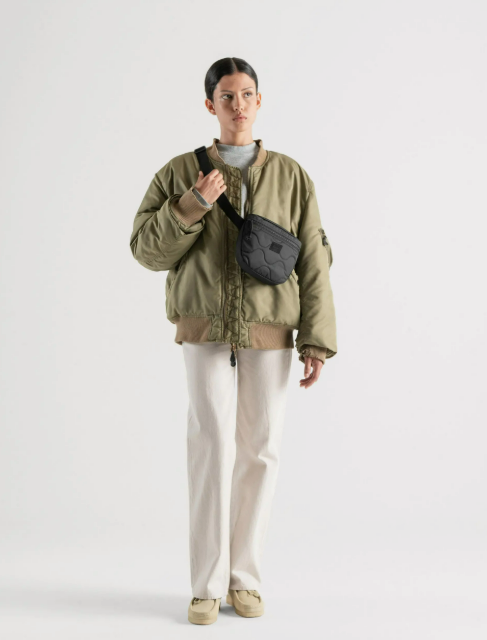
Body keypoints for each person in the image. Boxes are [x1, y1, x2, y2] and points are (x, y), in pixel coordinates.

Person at [129, 57, 337, 625]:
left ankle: (244, 580)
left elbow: (315, 259)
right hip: (204, 327)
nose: (238, 105)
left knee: (260, 451)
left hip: (271, 329)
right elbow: (145, 251)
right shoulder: (179, 171)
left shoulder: (291, 175)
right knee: (210, 447)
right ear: (210, 105)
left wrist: (316, 339)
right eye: (226, 96)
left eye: (247, 94)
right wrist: (192, 203)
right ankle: (205, 586)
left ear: (259, 101)